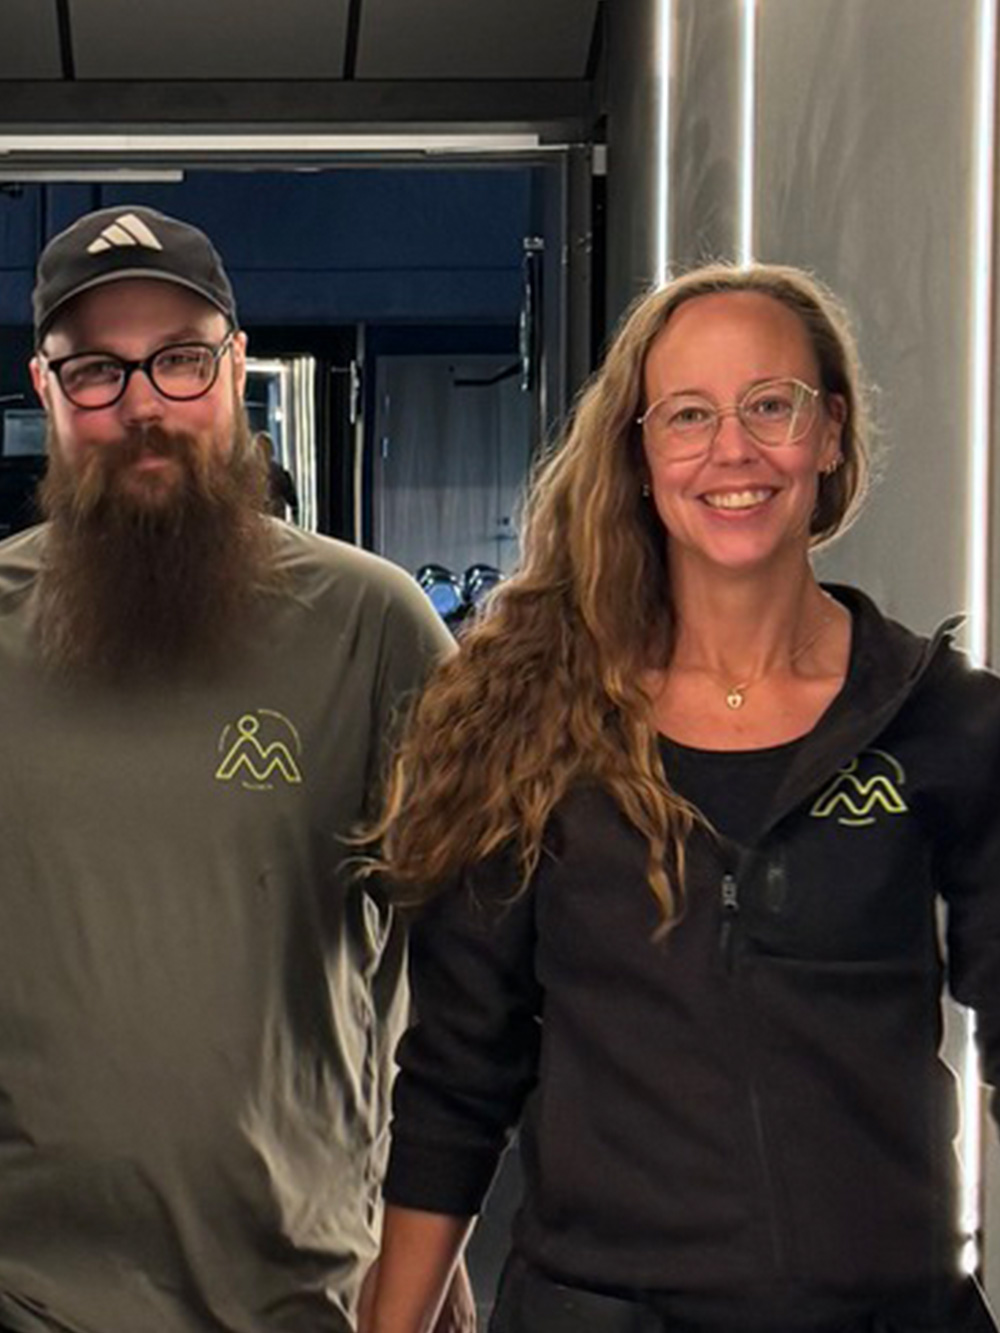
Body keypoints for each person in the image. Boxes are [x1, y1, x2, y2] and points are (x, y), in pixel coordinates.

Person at [363, 262, 1000, 1333]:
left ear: (830, 432)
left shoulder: (944, 721)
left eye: (770, 405)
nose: (732, 450)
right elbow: (456, 1078)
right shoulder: (532, 720)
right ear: (642, 456)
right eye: (689, 415)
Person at [0, 205, 473, 1333]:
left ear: (237, 365)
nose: (144, 406)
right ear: (46, 387)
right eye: (98, 371)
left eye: (180, 359)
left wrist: (426, 1259)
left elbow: (477, 985)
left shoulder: (372, 627)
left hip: (308, 1295)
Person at [255, 429, 300, 523]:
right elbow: (291, 497)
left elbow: (290, 495)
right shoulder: (276, 470)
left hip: (272, 515)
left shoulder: (277, 471)